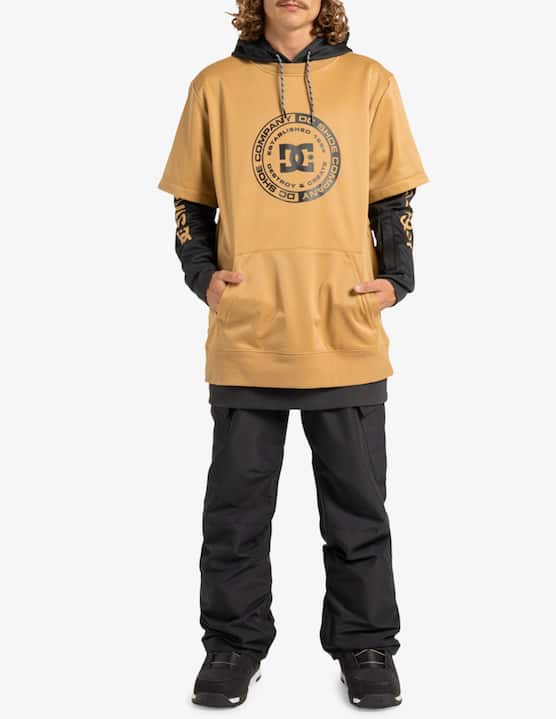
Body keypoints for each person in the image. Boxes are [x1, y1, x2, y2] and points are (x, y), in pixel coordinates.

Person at [157, 0, 429, 709]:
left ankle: (366, 644)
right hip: (250, 334)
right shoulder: (214, 86)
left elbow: (392, 193)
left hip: (344, 327)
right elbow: (190, 202)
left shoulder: (370, 80)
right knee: (235, 513)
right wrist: (202, 276)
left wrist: (396, 277)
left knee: (358, 511)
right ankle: (232, 645)